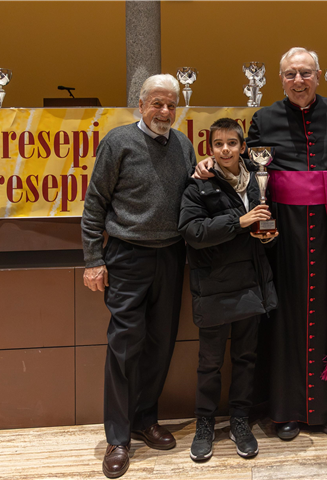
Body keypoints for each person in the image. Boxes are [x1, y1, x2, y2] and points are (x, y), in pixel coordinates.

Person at [194, 47, 327, 440]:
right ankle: (286, 408)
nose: (298, 80)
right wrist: (211, 164)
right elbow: (247, 167)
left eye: (305, 73)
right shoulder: (265, 118)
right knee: (285, 314)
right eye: (291, 74)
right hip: (282, 231)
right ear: (281, 79)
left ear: (318, 76)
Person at [81, 74, 196, 479]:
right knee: (125, 346)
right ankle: (117, 436)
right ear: (142, 104)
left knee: (160, 344)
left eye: (171, 105)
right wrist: (93, 259)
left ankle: (145, 419)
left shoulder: (183, 145)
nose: (164, 112)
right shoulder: (118, 142)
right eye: (157, 104)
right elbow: (95, 202)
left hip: (171, 256)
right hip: (127, 257)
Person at [179, 118, 277, 461]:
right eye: (218, 144)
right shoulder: (199, 184)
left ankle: (239, 421)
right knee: (209, 363)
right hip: (214, 286)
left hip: (251, 282)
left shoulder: (259, 180)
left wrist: (268, 235)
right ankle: (204, 424)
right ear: (210, 149)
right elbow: (193, 232)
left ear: (243, 147)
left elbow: (266, 220)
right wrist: (239, 221)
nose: (225, 150)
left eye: (232, 143)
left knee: (245, 359)